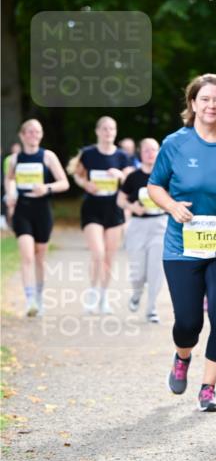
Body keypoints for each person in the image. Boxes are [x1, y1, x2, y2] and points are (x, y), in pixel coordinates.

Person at [148, 74, 216, 413]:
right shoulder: (175, 144)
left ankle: (208, 388)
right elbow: (155, 186)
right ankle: (182, 357)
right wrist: (172, 206)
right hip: (182, 249)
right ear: (193, 103)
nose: (211, 105)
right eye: (205, 99)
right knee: (189, 323)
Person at [4, 120, 69, 316]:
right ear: (22, 135)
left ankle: (40, 298)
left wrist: (46, 188)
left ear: (41, 135)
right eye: (30, 132)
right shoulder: (16, 159)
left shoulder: (48, 156)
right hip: (22, 210)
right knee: (26, 255)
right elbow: (9, 179)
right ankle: (30, 300)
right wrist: (10, 194)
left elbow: (64, 183)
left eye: (37, 132)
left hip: (42, 210)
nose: (34, 135)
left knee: (40, 256)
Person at [68, 116, 133, 314]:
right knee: (98, 253)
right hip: (92, 208)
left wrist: (120, 176)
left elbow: (131, 180)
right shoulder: (88, 154)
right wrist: (85, 184)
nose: (108, 132)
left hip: (114, 209)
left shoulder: (122, 156)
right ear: (98, 131)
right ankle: (92, 294)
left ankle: (103, 298)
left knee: (109, 257)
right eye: (104, 129)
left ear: (115, 131)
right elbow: (77, 174)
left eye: (111, 129)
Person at [117, 138, 167, 323]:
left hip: (160, 225)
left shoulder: (166, 175)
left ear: (159, 152)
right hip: (137, 226)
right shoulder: (133, 176)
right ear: (140, 152)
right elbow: (120, 200)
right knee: (138, 273)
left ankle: (151, 308)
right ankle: (137, 293)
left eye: (153, 150)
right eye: (146, 150)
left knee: (156, 270)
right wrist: (132, 207)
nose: (150, 153)